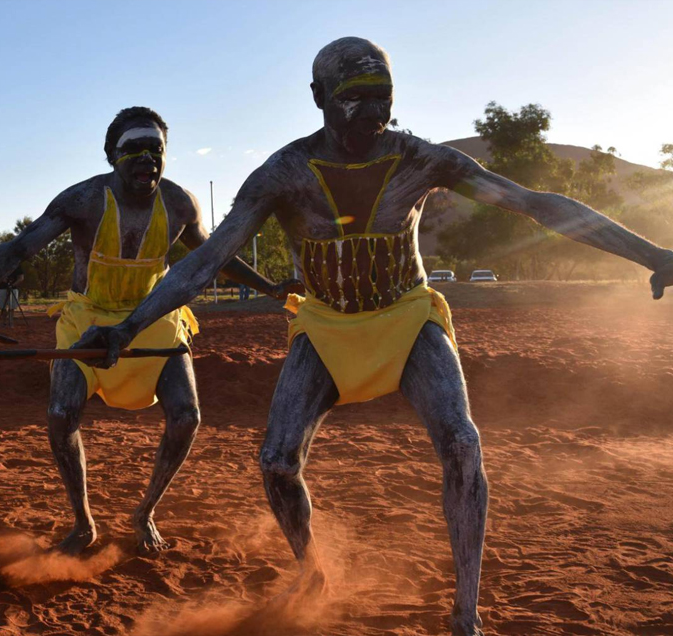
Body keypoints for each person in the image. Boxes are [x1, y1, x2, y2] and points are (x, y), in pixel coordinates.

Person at [71, 39, 673, 636]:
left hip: (407, 319)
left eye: (382, 95)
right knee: (277, 463)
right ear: (318, 98)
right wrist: (126, 327)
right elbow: (205, 263)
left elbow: (536, 204)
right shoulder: (284, 173)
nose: (372, 111)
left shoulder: (421, 160)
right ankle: (311, 571)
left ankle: (466, 615)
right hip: (325, 326)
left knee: (462, 443)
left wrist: (653, 254)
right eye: (353, 97)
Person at [0, 107, 290, 554]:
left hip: (155, 320)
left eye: (156, 149)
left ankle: (145, 512)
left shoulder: (180, 204)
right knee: (61, 415)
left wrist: (269, 286)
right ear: (111, 156)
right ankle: (83, 523)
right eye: (134, 149)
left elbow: (214, 257)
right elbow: (17, 250)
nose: (147, 158)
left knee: (186, 417)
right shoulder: (83, 201)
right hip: (87, 319)